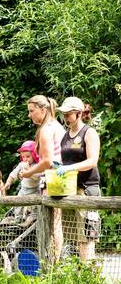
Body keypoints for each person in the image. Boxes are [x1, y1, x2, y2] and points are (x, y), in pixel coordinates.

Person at [19, 95, 66, 261]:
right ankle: (55, 261)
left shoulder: (46, 129)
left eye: (31, 111)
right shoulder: (57, 126)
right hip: (61, 178)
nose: (29, 115)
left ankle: (53, 263)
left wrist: (28, 173)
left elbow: (47, 161)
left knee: (53, 224)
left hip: (53, 179)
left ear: (42, 109)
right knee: (57, 222)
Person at [56, 96, 101, 261]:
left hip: (87, 189)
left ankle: (90, 278)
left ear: (79, 113)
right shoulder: (65, 135)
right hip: (69, 190)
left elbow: (92, 161)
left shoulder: (89, 133)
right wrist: (59, 166)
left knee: (86, 238)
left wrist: (68, 167)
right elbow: (66, 161)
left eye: (69, 113)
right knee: (73, 237)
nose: (66, 117)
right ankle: (78, 278)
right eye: (64, 114)